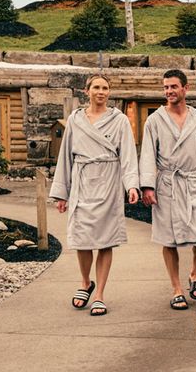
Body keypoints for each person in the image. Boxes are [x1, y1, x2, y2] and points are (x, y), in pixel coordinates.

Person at [49, 74, 139, 317]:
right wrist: (62, 193)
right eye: (96, 87)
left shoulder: (119, 120)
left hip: (109, 182)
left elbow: (128, 155)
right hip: (82, 181)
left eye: (105, 88)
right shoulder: (75, 120)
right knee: (82, 238)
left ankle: (99, 294)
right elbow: (65, 157)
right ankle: (85, 282)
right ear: (86, 91)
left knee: (105, 240)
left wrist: (131, 185)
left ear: (109, 92)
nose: (101, 91)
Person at [139, 69, 196, 311]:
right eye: (166, 87)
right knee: (169, 238)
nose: (169, 91)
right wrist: (147, 186)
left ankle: (195, 272)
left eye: (173, 86)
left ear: (185, 89)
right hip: (168, 184)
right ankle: (176, 289)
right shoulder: (155, 120)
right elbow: (147, 154)